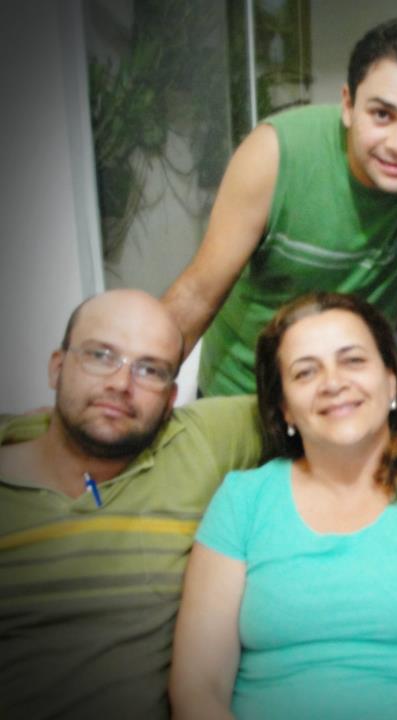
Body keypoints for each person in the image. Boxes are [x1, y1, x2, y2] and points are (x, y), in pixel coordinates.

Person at [161, 19, 397, 524]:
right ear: (348, 105)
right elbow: (195, 296)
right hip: (244, 405)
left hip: (354, 412)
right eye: (382, 115)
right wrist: (126, 394)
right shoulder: (276, 153)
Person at [169, 292, 397, 719]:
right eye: (305, 372)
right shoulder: (242, 500)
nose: (332, 383)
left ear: (391, 382)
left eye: (352, 360)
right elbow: (197, 690)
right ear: (284, 409)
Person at [0, 290, 263, 719]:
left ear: (170, 398)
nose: (121, 384)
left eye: (150, 370)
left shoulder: (198, 443)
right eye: (100, 356)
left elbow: (323, 400)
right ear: (57, 367)